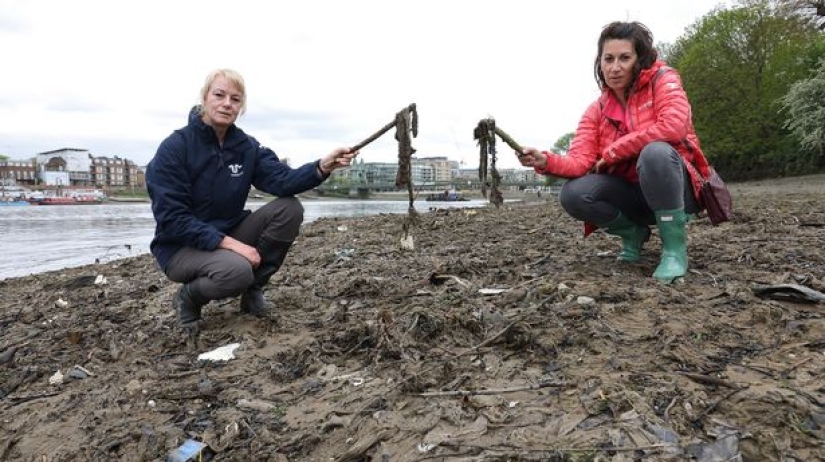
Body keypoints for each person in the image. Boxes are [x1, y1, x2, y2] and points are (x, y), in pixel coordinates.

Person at [146, 68, 357, 330]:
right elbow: (173, 219)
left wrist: (322, 167)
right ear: (204, 97)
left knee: (289, 208)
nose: (226, 104)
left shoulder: (246, 147)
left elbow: (283, 181)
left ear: (241, 107)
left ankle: (253, 291)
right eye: (219, 95)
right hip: (180, 247)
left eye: (235, 99)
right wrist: (234, 246)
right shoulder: (175, 148)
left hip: (226, 234)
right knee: (236, 272)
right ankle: (189, 297)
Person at [517, 21, 711, 283]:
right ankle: (633, 233)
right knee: (574, 194)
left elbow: (674, 127)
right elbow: (580, 162)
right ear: (600, 62)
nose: (615, 67)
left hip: (678, 191)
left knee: (655, 153)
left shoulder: (664, 80)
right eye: (608, 59)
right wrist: (544, 160)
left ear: (640, 59)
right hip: (632, 198)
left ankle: (674, 248)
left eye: (624, 58)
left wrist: (613, 152)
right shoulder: (596, 110)